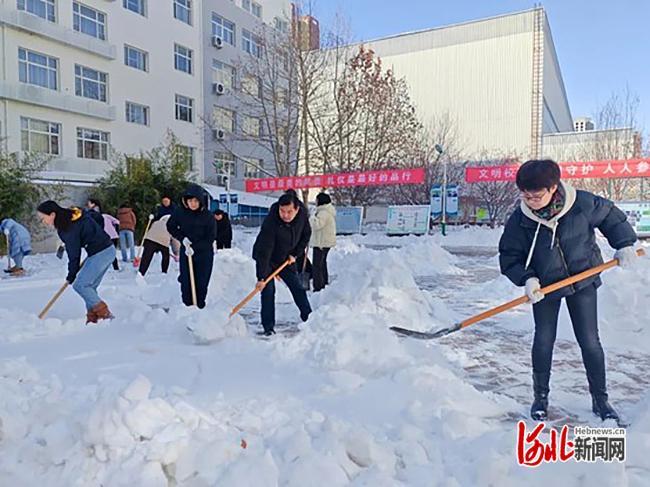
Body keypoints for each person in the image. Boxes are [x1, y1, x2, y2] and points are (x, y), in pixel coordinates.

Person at [498, 159, 639, 422]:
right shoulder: (521, 219)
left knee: (589, 341)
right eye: (525, 195)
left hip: (583, 280)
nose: (530, 200)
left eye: (536, 195)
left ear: (553, 188)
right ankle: (540, 398)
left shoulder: (581, 204)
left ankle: (601, 401)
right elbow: (509, 256)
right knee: (543, 340)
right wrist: (527, 279)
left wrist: (624, 243)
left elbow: (610, 215)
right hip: (545, 286)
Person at [37, 201, 116, 323]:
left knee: (80, 285)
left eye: (43, 218)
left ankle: (106, 315)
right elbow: (97, 217)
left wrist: (71, 274)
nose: (43, 222)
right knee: (89, 287)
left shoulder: (67, 227)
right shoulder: (75, 214)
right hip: (107, 250)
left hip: (101, 253)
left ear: (52, 214)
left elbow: (74, 254)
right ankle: (93, 318)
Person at [252, 193, 312, 336]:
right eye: (282, 211)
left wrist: (295, 254)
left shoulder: (302, 216)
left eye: (289, 211)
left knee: (297, 287)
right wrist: (261, 278)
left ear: (296, 209)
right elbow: (265, 249)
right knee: (268, 291)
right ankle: (268, 327)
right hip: (266, 257)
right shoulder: (271, 222)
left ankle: (309, 318)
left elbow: (306, 236)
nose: (285, 215)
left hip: (286, 258)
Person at [166, 184, 216, 308]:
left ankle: (199, 308)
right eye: (190, 201)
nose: (192, 204)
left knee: (201, 282)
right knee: (186, 282)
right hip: (186, 251)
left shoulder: (208, 216)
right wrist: (183, 239)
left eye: (195, 201)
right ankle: (187, 308)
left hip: (204, 253)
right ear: (185, 201)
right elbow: (171, 226)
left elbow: (211, 237)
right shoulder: (180, 212)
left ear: (200, 201)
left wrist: (196, 247)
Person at [310, 193, 337, 292]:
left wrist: (311, 217)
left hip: (321, 243)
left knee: (317, 265)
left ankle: (318, 287)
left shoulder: (323, 212)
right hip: (325, 242)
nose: (315, 202)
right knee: (322, 263)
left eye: (316, 200)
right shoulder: (327, 211)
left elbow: (317, 224)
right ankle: (324, 282)